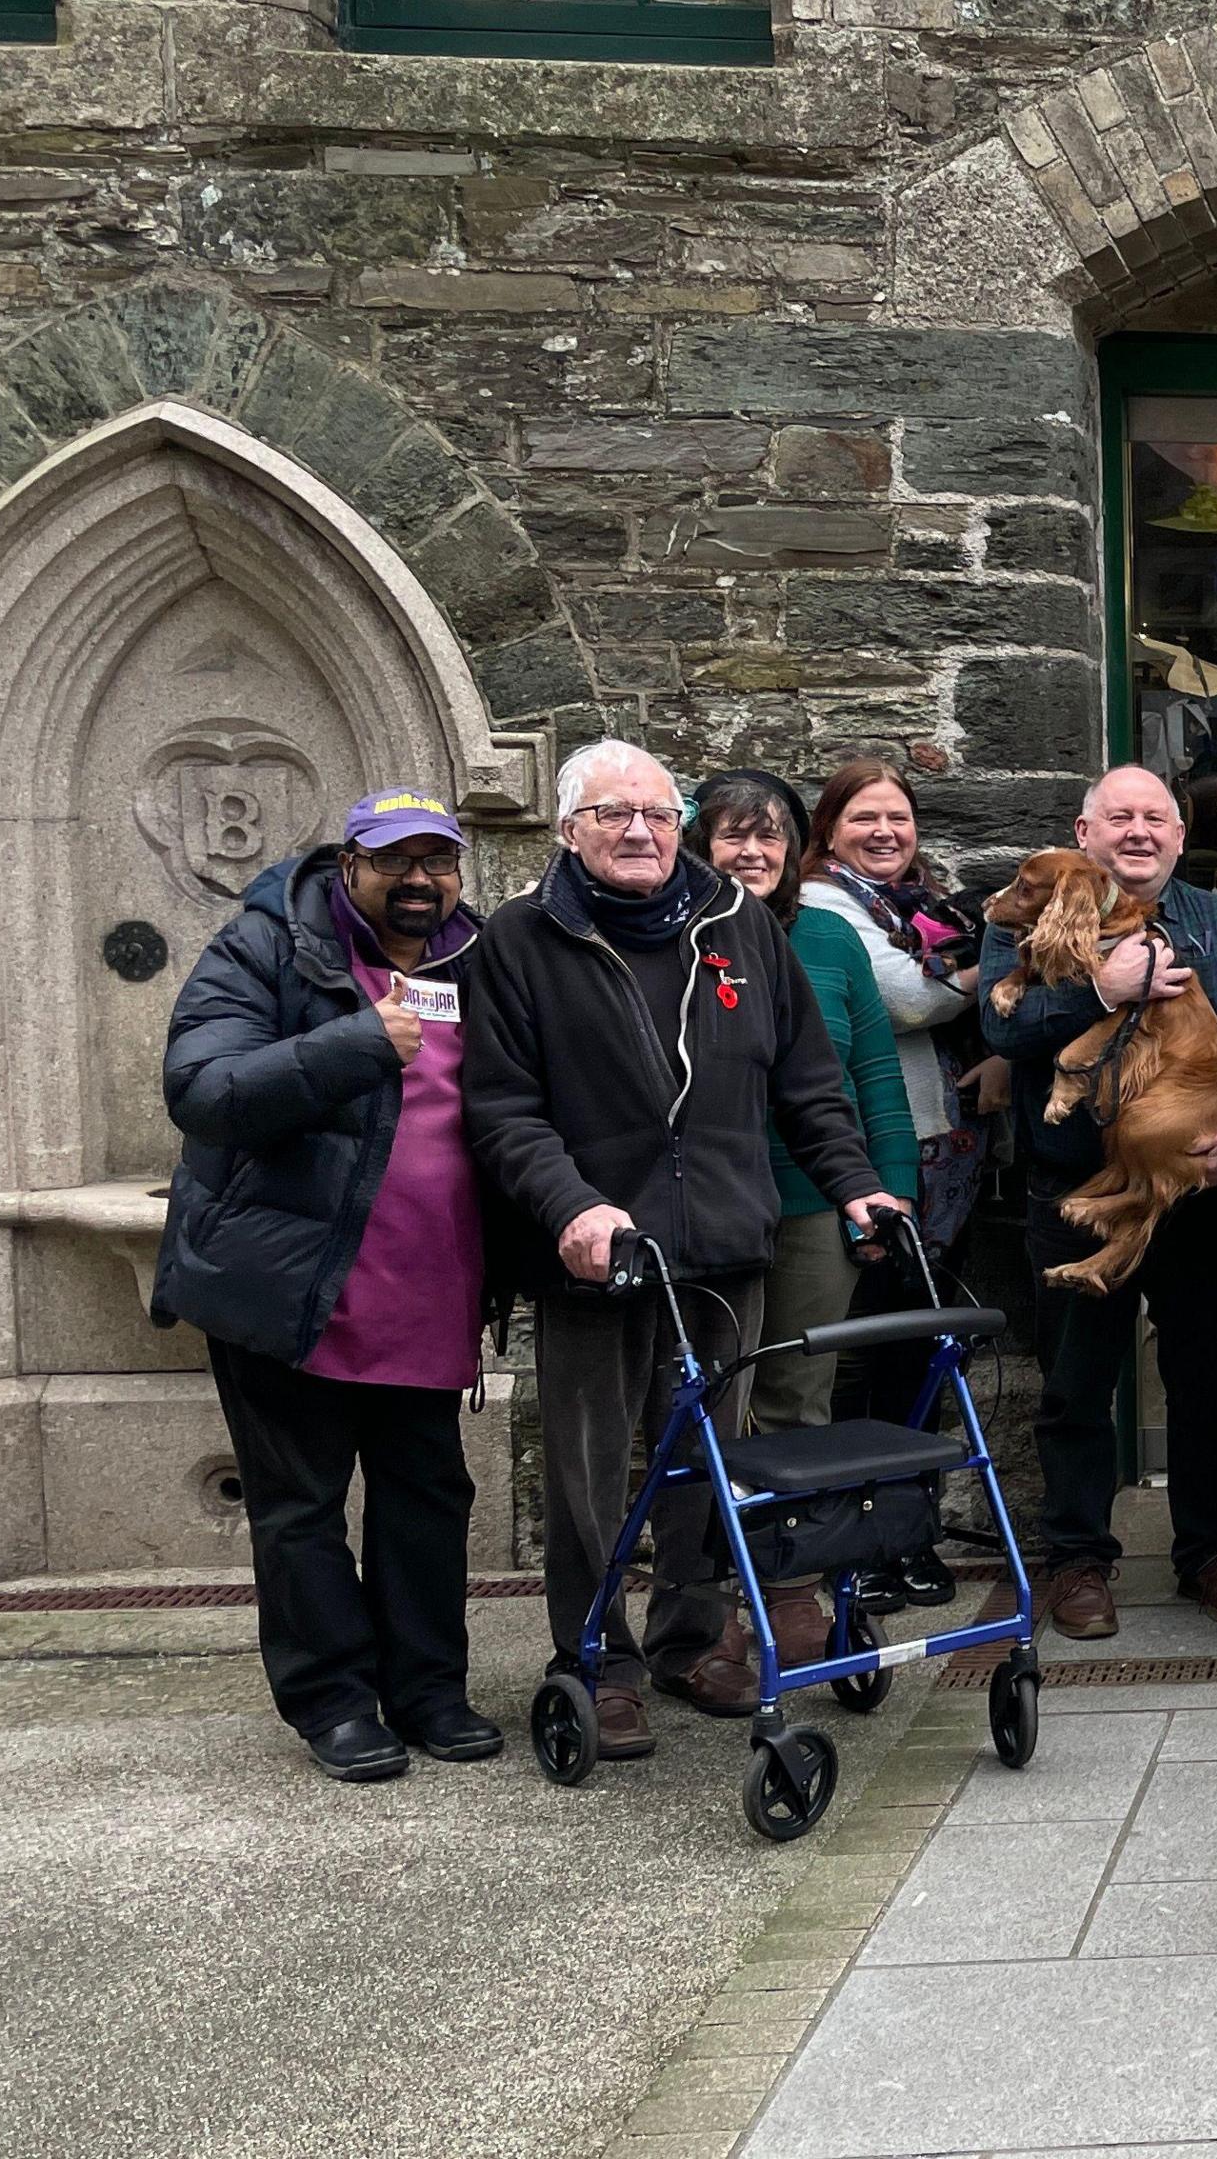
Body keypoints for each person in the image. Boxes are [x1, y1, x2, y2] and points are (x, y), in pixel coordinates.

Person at [465, 742, 902, 1742]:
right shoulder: (522, 940)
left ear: (680, 825)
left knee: (709, 1460)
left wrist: (858, 1190)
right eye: (613, 815)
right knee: (590, 1465)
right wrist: (572, 1207)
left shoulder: (740, 926)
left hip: (720, 1246)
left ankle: (689, 1639)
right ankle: (594, 1655)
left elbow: (808, 1087)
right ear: (569, 832)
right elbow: (501, 1109)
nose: (637, 832)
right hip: (598, 1254)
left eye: (656, 814)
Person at [155, 790, 499, 1782]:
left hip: (427, 1288)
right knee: (300, 1506)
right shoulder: (266, 946)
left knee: (427, 1495)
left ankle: (429, 1689)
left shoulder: (476, 962)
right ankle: (334, 1701)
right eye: (398, 861)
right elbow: (202, 1090)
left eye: (440, 861)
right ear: (350, 866)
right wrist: (353, 1044)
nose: (422, 881)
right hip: (288, 1286)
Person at [977, 766, 1217, 1640]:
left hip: (1192, 1186)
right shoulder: (1035, 906)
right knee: (1078, 1384)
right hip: (1071, 1187)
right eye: (1121, 817)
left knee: (1202, 1381)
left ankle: (1211, 1553)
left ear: (1181, 838)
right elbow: (1001, 1029)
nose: (1139, 831)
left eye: (1157, 818)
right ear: (1086, 831)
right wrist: (1104, 991)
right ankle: (1076, 1561)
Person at [688, 771, 918, 1442]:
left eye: (772, 835)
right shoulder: (670, 939)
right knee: (712, 1400)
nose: (754, 851)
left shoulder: (829, 938)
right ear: (701, 844)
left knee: (800, 1400)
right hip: (707, 1202)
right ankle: (713, 1547)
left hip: (814, 1202)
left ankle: (791, 1543)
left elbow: (875, 1074)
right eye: (734, 836)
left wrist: (891, 1189)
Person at [799, 762, 983, 1243]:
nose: (885, 832)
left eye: (899, 819)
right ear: (829, 832)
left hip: (949, 1141)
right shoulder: (820, 900)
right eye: (864, 818)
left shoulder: (918, 901)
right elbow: (908, 1001)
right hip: (880, 1147)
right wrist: (1005, 969)